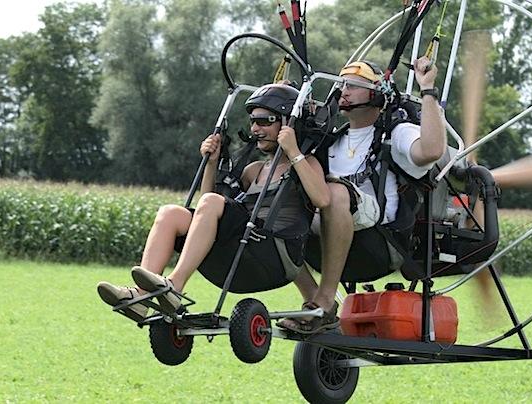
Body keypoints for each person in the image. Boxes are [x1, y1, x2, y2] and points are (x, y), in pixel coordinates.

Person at [96, 84, 329, 321]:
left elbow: (322, 199)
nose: (256, 128)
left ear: (288, 124)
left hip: (273, 255)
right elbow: (207, 210)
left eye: (265, 121)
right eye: (253, 122)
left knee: (210, 203)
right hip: (243, 247)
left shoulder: (306, 163)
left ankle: (173, 286)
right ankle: (141, 297)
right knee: (170, 213)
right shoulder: (254, 170)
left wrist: (294, 152)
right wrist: (211, 163)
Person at [278, 56, 447, 333]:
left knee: (335, 192)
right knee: (282, 202)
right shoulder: (332, 140)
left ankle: (324, 299)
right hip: (327, 241)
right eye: (342, 84)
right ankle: (315, 300)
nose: (344, 90)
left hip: (380, 240)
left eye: (353, 85)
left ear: (376, 93)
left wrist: (427, 89)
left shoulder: (396, 132)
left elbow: (430, 151)